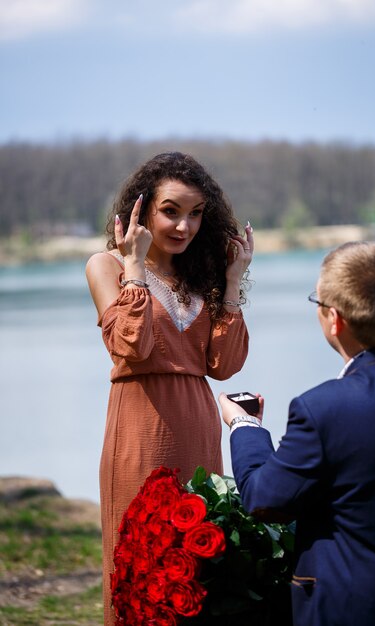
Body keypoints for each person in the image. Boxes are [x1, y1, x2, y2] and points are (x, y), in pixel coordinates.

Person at [86, 151, 253, 625]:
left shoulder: (200, 277)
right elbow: (130, 348)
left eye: (196, 213)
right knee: (140, 569)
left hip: (198, 428)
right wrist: (134, 270)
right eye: (171, 211)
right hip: (140, 427)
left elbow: (224, 365)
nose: (184, 226)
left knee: (197, 567)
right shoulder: (105, 266)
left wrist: (233, 280)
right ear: (142, 210)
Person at [219, 241, 375, 626]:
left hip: (353, 606)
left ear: (334, 319)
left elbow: (264, 498)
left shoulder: (324, 408)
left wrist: (244, 426)